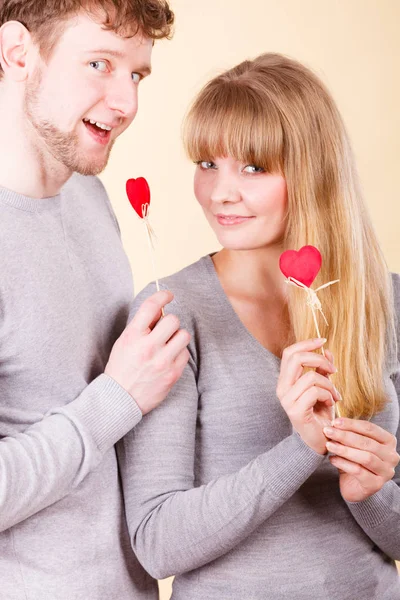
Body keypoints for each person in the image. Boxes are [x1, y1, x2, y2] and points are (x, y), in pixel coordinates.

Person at [118, 53, 400, 599]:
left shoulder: (388, 302)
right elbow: (156, 542)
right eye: (206, 164)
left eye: (253, 167)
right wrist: (301, 448)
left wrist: (371, 493)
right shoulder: (173, 313)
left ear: (312, 168)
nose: (221, 192)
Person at [0, 1, 191, 599]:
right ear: (18, 54)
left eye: (136, 74)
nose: (127, 102)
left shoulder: (88, 194)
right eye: (100, 64)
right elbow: (116, 399)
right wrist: (119, 395)